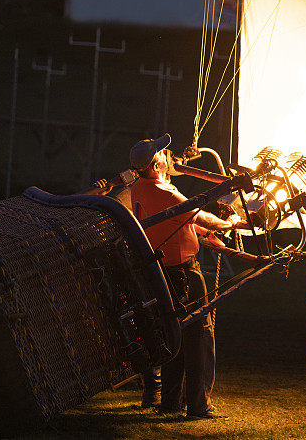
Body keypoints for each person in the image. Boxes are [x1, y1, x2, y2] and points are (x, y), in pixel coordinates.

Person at [103, 133, 243, 419]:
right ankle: (198, 405)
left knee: (173, 336)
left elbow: (180, 222)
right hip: (184, 273)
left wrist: (203, 233)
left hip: (161, 273)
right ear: (155, 166)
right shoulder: (168, 194)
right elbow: (199, 215)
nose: (169, 158)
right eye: (163, 155)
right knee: (199, 338)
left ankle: (170, 402)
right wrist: (230, 222)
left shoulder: (140, 188)